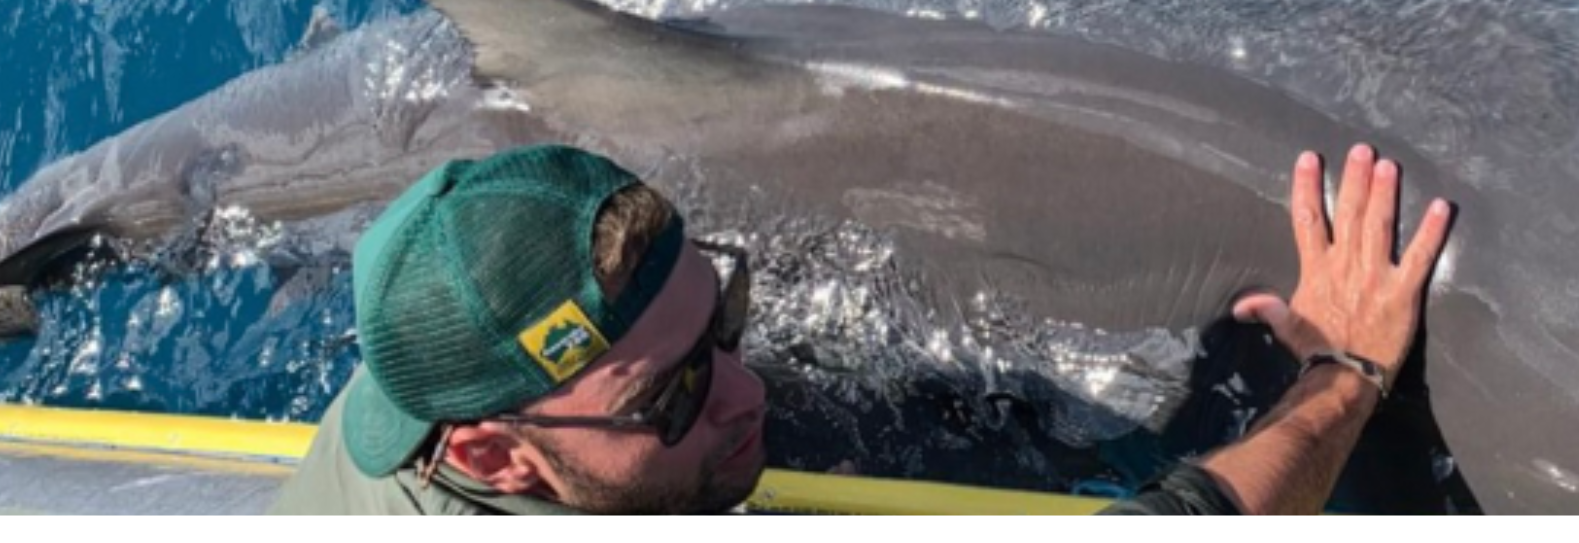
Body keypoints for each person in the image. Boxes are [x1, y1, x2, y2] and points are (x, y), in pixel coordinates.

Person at [270, 142, 1450, 515]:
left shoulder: (432, 373)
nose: (743, 393)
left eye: (723, 321)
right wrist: (1343, 372)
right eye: (670, 399)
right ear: (487, 453)